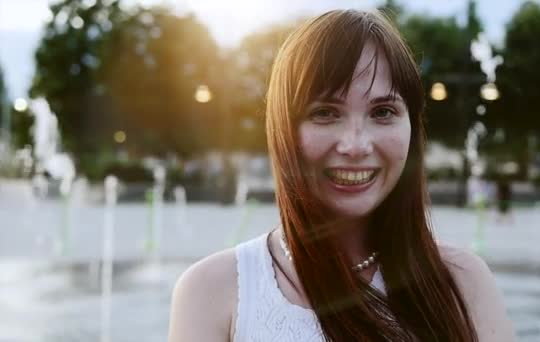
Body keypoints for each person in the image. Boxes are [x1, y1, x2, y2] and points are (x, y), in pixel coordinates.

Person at [168, 9, 515, 342]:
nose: (356, 145)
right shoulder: (213, 292)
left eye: (382, 111)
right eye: (325, 113)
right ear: (284, 130)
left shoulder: (462, 282)